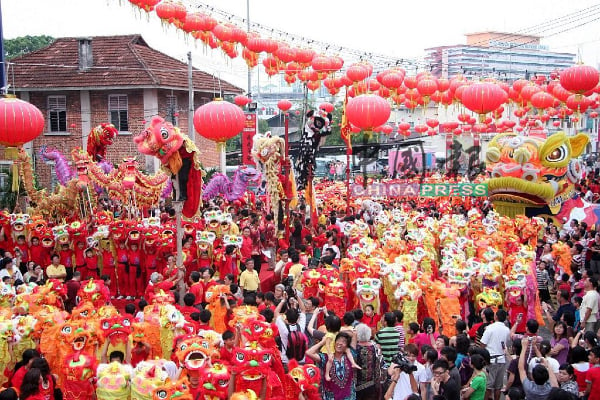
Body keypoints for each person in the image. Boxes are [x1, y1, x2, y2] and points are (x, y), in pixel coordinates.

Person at [305, 331, 358, 400]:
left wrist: (337, 330)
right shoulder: (326, 358)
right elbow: (308, 353)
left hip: (349, 397)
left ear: (347, 346)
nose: (340, 343)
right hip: (331, 397)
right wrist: (323, 342)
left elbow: (354, 333)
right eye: (338, 340)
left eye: (344, 342)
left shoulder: (350, 356)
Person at [480, 309, 510, 400]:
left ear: (496, 317)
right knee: (498, 386)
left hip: (491, 360)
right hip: (502, 359)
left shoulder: (490, 328)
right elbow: (507, 344)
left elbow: (483, 343)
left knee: (488, 385)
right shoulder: (506, 329)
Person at [355, 323, 382, 400]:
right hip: (372, 385)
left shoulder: (354, 349)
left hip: (357, 386)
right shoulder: (375, 348)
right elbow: (378, 367)